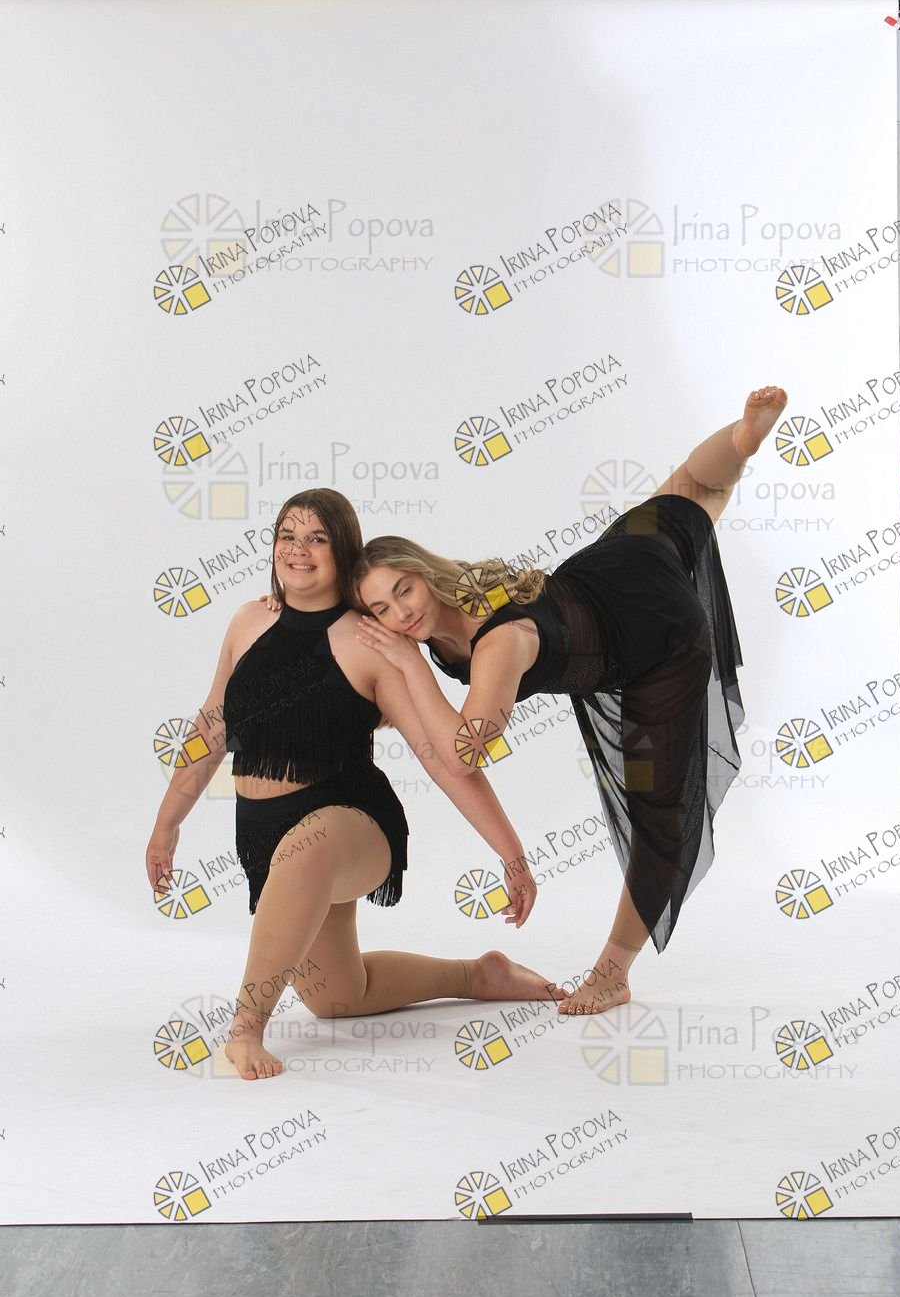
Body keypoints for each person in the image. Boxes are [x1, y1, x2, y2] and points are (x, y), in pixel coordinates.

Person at [352, 387, 788, 1015]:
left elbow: (465, 752)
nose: (400, 614)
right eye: (381, 609)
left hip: (658, 635)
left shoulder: (498, 643)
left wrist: (408, 664)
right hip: (617, 565)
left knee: (657, 812)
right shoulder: (441, 630)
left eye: (404, 590)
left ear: (425, 572)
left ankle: (612, 974)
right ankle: (745, 438)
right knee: (689, 493)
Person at [145, 489, 562, 1081]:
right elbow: (211, 727)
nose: (298, 549)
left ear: (342, 551)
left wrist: (512, 855)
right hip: (261, 834)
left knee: (309, 847)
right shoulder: (248, 621)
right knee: (339, 996)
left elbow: (445, 761)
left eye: (317, 538)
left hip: (351, 824)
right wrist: (167, 824)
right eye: (288, 535)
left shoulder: (370, 642)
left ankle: (244, 1032)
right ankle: (476, 975)